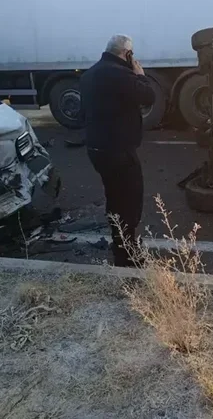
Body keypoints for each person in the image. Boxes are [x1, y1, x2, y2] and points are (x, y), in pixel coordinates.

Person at [80, 35, 155, 267]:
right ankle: (128, 255)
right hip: (119, 150)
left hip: (97, 149)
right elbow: (148, 96)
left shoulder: (90, 74)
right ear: (127, 53)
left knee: (114, 198)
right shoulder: (121, 74)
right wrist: (140, 76)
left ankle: (120, 247)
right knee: (129, 203)